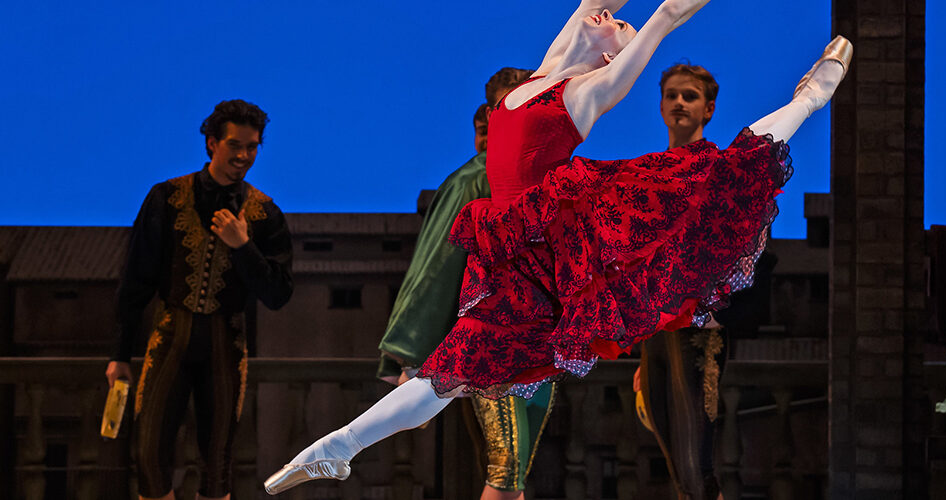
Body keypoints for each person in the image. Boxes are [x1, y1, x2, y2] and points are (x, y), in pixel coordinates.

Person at [265, 0, 850, 493]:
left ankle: (807, 101)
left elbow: (668, 12)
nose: (613, 18)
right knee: (449, 371)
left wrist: (644, 25)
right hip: (514, 253)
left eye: (620, 27)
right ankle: (340, 446)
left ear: (610, 53)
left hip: (554, 245)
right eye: (612, 18)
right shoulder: (540, 76)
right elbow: (592, 6)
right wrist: (601, 15)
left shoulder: (587, 93)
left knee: (713, 175)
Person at [375, 67, 556, 500]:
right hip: (491, 349)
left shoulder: (544, 178)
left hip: (538, 347)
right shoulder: (473, 181)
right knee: (506, 468)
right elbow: (435, 267)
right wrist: (410, 357)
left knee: (516, 470)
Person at [105, 99, 294, 500]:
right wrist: (120, 355)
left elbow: (278, 294)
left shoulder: (265, 215)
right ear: (211, 143)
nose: (244, 156)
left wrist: (244, 247)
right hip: (170, 338)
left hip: (226, 347)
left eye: (252, 146)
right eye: (234, 145)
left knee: (218, 465)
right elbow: (135, 280)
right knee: (149, 456)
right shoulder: (166, 198)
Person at [630, 62, 778, 500]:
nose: (679, 102)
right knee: (676, 459)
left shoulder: (717, 171)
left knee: (698, 461)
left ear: (708, 109)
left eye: (689, 96)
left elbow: (754, 247)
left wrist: (721, 312)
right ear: (660, 105)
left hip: (697, 332)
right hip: (658, 335)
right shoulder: (652, 173)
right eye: (672, 95)